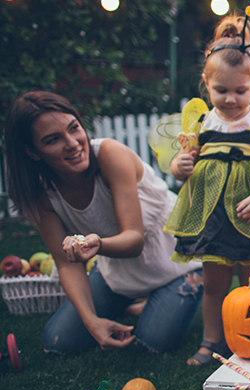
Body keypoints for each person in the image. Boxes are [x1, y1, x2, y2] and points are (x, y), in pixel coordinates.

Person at [3, 91, 204, 355]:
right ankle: (137, 303)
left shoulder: (110, 154)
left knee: (151, 343)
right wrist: (91, 322)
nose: (73, 143)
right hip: (117, 270)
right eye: (53, 140)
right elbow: (65, 263)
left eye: (74, 128)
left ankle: (158, 299)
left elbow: (133, 240)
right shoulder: (41, 192)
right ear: (32, 152)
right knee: (59, 341)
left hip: (175, 259)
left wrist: (96, 244)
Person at [164, 10, 250, 366]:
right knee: (214, 284)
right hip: (214, 218)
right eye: (220, 90)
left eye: (240, 90)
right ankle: (212, 341)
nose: (230, 99)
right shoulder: (201, 122)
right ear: (206, 84)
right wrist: (178, 166)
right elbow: (183, 164)